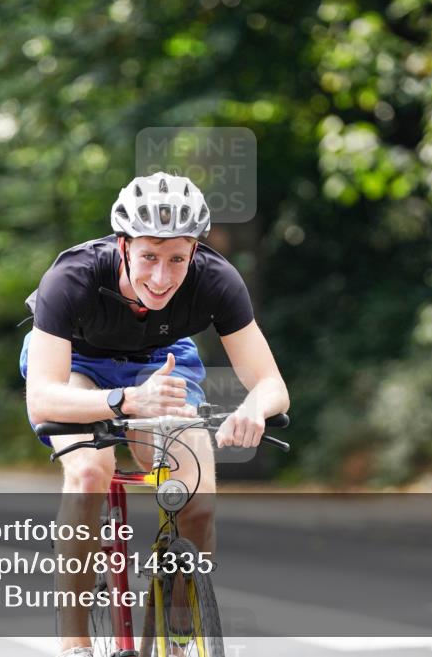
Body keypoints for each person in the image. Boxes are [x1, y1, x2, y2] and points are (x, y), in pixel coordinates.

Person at [20, 172, 290, 657]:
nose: (162, 278)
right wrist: (125, 401)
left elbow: (271, 385)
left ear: (194, 252)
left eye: (177, 259)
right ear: (123, 245)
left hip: (160, 365)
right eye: (148, 256)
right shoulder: (72, 276)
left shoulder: (217, 280)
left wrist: (253, 409)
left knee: (197, 500)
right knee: (88, 472)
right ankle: (74, 644)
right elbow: (42, 397)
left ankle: (175, 639)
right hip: (77, 367)